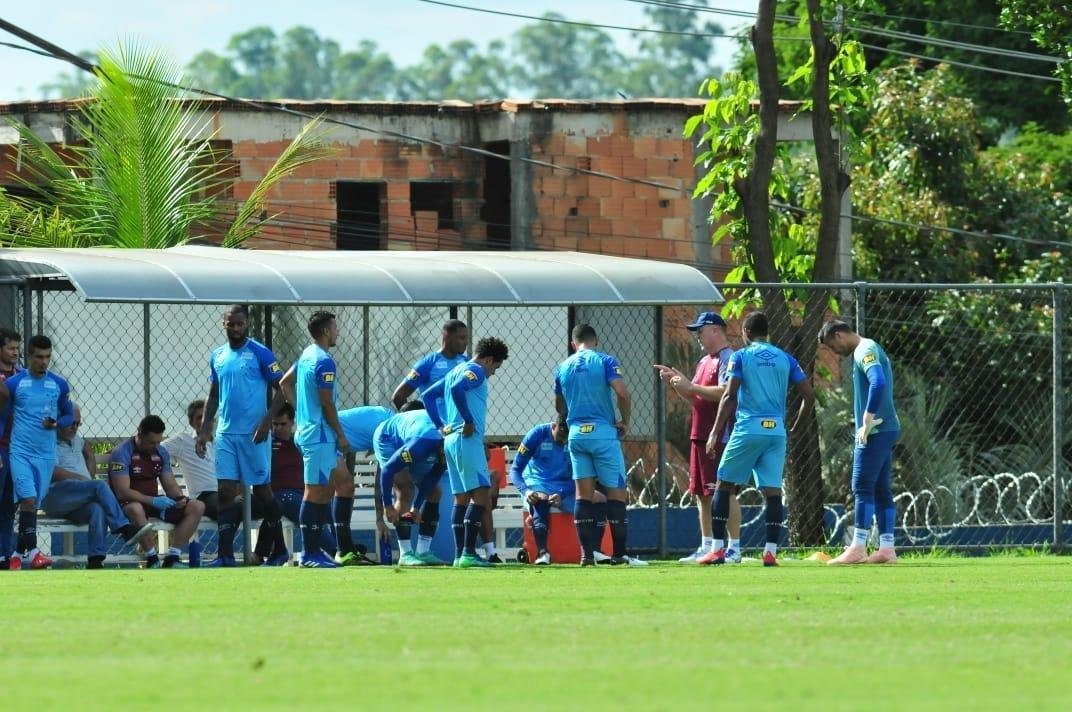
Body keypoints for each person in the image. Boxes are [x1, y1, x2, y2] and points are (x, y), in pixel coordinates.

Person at [702, 311, 814, 567]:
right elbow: (809, 395)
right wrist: (794, 426)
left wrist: (714, 432)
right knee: (773, 491)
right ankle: (771, 552)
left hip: (748, 429)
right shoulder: (786, 358)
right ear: (767, 333)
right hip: (776, 431)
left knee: (723, 483)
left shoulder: (741, 356)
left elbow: (729, 396)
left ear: (747, 334)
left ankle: (718, 550)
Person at [196, 304, 287, 567]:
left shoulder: (260, 353)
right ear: (222, 324)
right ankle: (224, 555)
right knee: (225, 490)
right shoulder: (218, 356)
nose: (235, 329)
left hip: (253, 434)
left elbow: (282, 389)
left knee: (261, 489)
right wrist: (204, 430)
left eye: (240, 324)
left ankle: (279, 549)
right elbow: (214, 394)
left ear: (246, 324)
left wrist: (266, 421)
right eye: (230, 324)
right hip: (225, 434)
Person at [655, 311, 743, 564]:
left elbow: (727, 392)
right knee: (701, 494)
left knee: (725, 492)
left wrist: (691, 386)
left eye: (700, 330)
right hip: (699, 435)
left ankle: (733, 548)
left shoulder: (729, 358)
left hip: (720, 435)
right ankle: (706, 546)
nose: (697, 336)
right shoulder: (703, 361)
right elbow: (695, 395)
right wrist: (677, 383)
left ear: (715, 329)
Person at [554, 324, 645, 567]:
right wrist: (625, 422)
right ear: (595, 340)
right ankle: (620, 554)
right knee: (616, 494)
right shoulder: (605, 360)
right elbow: (623, 394)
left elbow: (559, 405)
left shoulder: (562, 367)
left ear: (574, 344)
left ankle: (586, 555)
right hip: (603, 434)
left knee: (582, 497)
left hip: (576, 436)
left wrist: (567, 419)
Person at [818, 320, 901, 565]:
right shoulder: (869, 348)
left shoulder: (864, 350)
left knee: (862, 485)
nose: (835, 352)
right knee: (881, 489)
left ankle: (858, 548)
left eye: (833, 346)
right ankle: (887, 549)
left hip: (875, 430)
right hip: (887, 428)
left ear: (840, 335)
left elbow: (878, 382)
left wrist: (867, 419)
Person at [423, 336, 509, 568]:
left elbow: (427, 396)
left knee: (461, 498)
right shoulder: (475, 370)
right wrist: (468, 420)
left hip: (451, 439)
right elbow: (457, 388)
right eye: (496, 367)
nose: (493, 373)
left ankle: (461, 555)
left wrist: (441, 426)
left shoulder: (456, 369)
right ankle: (469, 554)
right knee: (481, 494)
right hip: (466, 439)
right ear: (489, 360)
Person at [281, 310, 349, 569]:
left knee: (324, 491)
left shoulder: (306, 354)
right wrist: (341, 434)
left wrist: (300, 411)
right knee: (315, 492)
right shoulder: (323, 361)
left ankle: (316, 552)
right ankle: (309, 553)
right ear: (325, 331)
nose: (338, 332)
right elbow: (326, 403)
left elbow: (284, 383)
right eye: (335, 327)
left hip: (309, 433)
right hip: (319, 435)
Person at [46, 406, 154, 568]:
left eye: (78, 424)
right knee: (98, 485)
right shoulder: (47, 441)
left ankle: (95, 559)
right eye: (71, 423)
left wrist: (89, 462)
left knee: (97, 509)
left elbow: (87, 449)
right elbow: (52, 471)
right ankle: (124, 527)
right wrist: (84, 479)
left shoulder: (76, 440)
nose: (75, 427)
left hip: (77, 499)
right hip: (55, 496)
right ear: (61, 419)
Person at [0, 334, 73, 570]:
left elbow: (69, 415)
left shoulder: (59, 384)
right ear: (29, 356)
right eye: (39, 357)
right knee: (28, 499)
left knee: (32, 503)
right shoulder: (15, 384)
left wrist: (57, 422)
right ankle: (33, 552)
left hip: (46, 454)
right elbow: (2, 418)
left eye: (48, 357)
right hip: (19, 452)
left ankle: (17, 554)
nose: (44, 361)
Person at [109, 415, 206, 568]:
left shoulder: (160, 452)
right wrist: (153, 500)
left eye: (158, 442)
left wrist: (178, 498)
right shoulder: (122, 452)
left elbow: (170, 484)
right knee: (135, 508)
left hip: (153, 504)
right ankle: (152, 558)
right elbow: (122, 492)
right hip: (128, 506)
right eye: (151, 442)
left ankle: (173, 558)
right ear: (139, 435)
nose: (155, 446)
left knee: (197, 506)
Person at [510, 419, 609, 565]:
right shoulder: (537, 434)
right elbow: (515, 470)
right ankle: (543, 553)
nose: (563, 442)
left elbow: (580, 476)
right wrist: (526, 491)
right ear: (554, 426)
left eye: (566, 438)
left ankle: (595, 550)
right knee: (540, 499)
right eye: (561, 436)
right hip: (537, 482)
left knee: (599, 498)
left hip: (565, 486)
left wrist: (561, 493)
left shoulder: (576, 439)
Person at [262, 403, 337, 566]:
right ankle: (332, 551)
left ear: (292, 423)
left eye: (283, 424)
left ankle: (340, 549)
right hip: (279, 495)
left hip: (305, 494)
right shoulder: (266, 444)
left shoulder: (300, 442)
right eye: (274, 424)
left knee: (326, 503)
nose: (278, 429)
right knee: (295, 501)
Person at [374, 401, 447, 566]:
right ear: (441, 447)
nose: (445, 460)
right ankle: (405, 554)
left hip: (414, 435)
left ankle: (423, 551)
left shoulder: (451, 449)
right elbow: (387, 471)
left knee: (435, 492)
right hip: (388, 438)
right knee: (405, 488)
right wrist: (387, 505)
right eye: (444, 455)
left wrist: (416, 507)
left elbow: (431, 480)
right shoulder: (420, 446)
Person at [163, 399, 219, 518]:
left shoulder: (221, 442)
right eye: (200, 417)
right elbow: (154, 448)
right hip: (204, 496)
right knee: (227, 507)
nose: (205, 420)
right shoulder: (183, 440)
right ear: (191, 422)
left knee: (263, 505)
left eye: (208, 416)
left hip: (226, 492)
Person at [0, 327, 22, 568]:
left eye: (17, 348)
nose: (16, 352)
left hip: (17, 449)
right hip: (1, 448)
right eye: (11, 348)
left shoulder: (23, 376)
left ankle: (5, 555)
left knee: (8, 505)